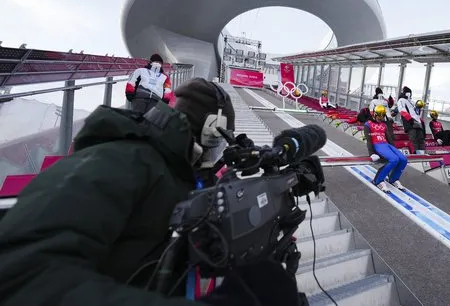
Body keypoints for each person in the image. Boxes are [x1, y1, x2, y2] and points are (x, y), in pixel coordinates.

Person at [0, 78, 301, 306]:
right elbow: (19, 274)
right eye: (217, 143)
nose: (217, 155)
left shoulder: (183, 177)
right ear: (210, 130)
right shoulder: (117, 161)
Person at [365, 105, 408, 193]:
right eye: (379, 116)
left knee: (403, 159)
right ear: (374, 114)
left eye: (382, 117)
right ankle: (378, 180)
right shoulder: (368, 124)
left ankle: (393, 179)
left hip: (386, 144)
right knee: (394, 159)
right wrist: (371, 153)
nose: (380, 119)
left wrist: (395, 150)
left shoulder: (384, 125)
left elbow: (389, 139)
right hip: (377, 145)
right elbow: (369, 140)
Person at [397, 86, 425, 154]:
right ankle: (414, 154)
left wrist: (420, 120)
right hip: (410, 123)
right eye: (408, 92)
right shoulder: (401, 100)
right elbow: (402, 110)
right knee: (413, 139)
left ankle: (422, 154)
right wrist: (410, 119)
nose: (409, 94)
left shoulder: (411, 102)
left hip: (417, 122)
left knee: (420, 139)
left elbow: (416, 112)